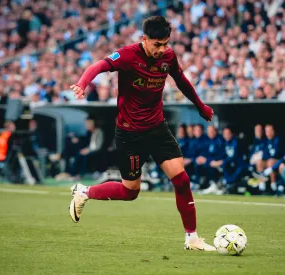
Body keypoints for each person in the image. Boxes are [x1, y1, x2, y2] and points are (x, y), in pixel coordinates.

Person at [68, 16, 215, 251]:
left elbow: (182, 81)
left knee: (182, 180)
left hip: (157, 128)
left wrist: (200, 106)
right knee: (130, 191)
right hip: (130, 134)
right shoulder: (127, 55)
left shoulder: (168, 56)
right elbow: (98, 66)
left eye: (166, 43)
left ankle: (192, 238)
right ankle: (84, 192)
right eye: (157, 44)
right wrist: (82, 83)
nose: (163, 49)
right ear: (144, 40)